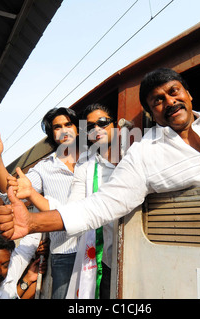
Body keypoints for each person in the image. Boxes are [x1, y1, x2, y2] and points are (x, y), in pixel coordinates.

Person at [0, 68, 200, 251]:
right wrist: (31, 221)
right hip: (183, 251)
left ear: (188, 94)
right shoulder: (142, 154)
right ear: (152, 114)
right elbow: (99, 206)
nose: (169, 101)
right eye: (158, 100)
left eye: (174, 92)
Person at [0, 107, 81, 299]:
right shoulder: (45, 168)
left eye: (68, 124)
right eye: (57, 127)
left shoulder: (94, 160)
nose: (64, 130)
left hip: (98, 246)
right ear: (52, 134)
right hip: (64, 250)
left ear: (77, 128)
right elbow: (11, 193)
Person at [66, 103, 118, 299]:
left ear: (115, 126)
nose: (97, 129)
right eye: (90, 127)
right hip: (104, 260)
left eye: (103, 123)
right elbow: (73, 212)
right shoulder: (85, 169)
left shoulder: (134, 156)